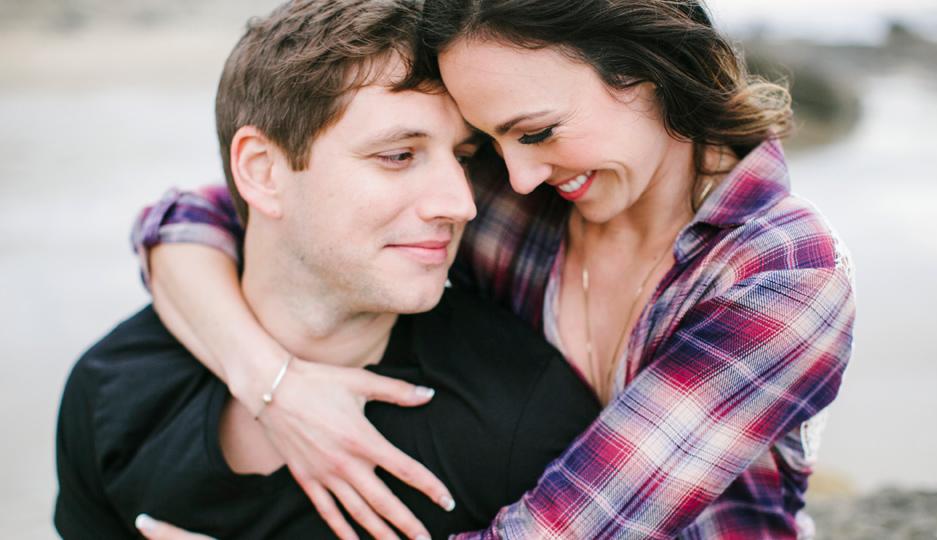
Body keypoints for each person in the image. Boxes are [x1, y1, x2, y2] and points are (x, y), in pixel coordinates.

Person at [130, 0, 857, 538]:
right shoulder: (520, 200)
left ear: (645, 70)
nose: (517, 175)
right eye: (488, 144)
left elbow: (568, 532)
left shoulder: (782, 273)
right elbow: (204, 215)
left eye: (536, 132)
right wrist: (274, 386)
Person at [52, 1, 603, 539]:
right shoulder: (109, 391)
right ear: (263, 171)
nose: (460, 204)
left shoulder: (527, 417)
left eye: (463, 157)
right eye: (399, 155)